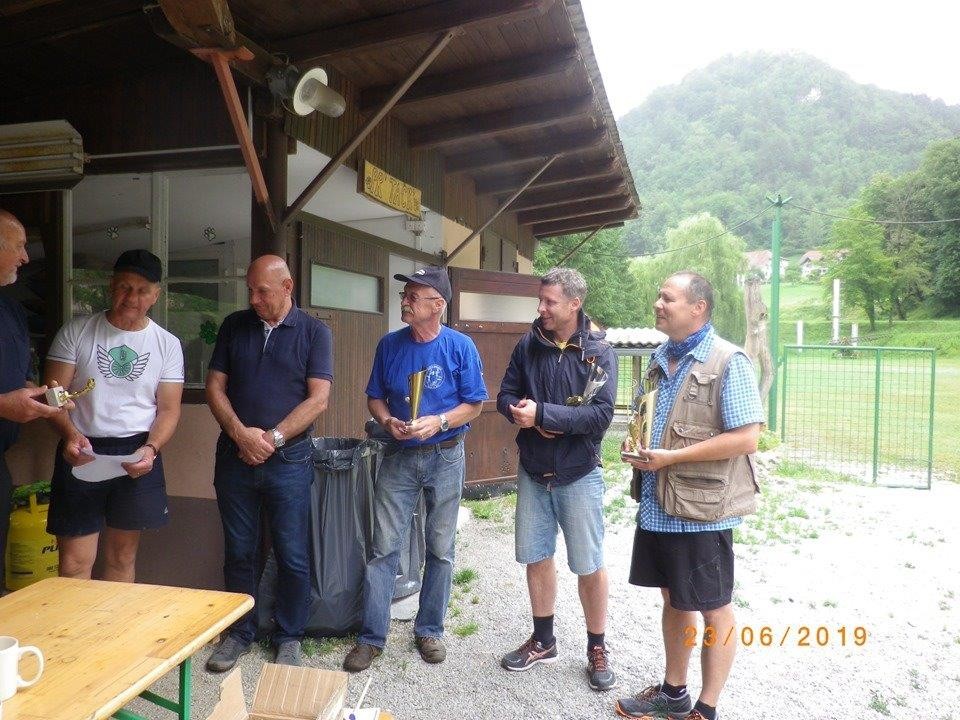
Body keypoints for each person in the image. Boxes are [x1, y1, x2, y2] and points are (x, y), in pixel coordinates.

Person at [615, 271, 763, 720]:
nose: (658, 304)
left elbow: (747, 438)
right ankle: (674, 694)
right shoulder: (660, 358)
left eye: (668, 298)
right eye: (659, 297)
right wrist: (635, 444)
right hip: (659, 506)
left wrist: (672, 458)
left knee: (715, 609)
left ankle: (707, 708)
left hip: (703, 511)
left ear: (698, 308)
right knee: (674, 599)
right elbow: (647, 417)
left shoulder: (728, 361)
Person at [343, 266, 486, 672]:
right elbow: (374, 397)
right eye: (404, 295)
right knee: (384, 547)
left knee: (440, 548)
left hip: (446, 454)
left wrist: (439, 421)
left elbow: (474, 405)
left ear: (437, 305)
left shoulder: (460, 346)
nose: (403, 301)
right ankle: (372, 637)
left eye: (412, 296)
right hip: (399, 455)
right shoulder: (389, 345)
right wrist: (387, 420)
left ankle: (430, 630)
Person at [205, 255, 333, 671]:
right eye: (250, 290)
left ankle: (290, 635)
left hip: (289, 460)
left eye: (262, 291)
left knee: (292, 552)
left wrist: (272, 438)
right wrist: (241, 434)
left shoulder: (314, 332)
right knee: (239, 550)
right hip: (235, 457)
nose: (254, 299)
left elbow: (318, 399)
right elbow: (214, 387)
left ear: (287, 287)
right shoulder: (234, 326)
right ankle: (239, 633)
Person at [496, 266, 619, 691]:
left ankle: (597, 647)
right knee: (536, 556)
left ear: (574, 304)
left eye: (550, 302)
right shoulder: (528, 343)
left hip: (579, 473)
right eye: (541, 300)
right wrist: (518, 412)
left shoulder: (599, 351)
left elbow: (602, 416)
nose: (541, 308)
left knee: (589, 564)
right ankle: (543, 640)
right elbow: (504, 395)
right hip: (533, 470)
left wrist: (546, 416)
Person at [44, 248, 184, 584]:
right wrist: (70, 435)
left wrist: (151, 449)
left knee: (122, 557)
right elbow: (52, 395)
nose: (132, 298)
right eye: (124, 287)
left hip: (138, 451)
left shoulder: (166, 344)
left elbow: (168, 409)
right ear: (111, 286)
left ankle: (112, 621)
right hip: (81, 446)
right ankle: (73, 621)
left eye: (142, 290)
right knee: (74, 562)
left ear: (156, 295)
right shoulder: (77, 331)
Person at [0, 209, 64, 586]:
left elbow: (20, 377)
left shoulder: (11, 308)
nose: (26, 257)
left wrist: (45, 398)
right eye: (20, 246)